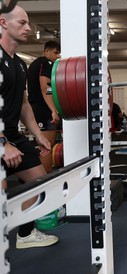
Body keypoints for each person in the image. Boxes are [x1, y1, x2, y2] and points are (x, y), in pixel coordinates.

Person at [0, 5, 59, 248]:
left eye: (28, 23)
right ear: (3, 23)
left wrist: (38, 136)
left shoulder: (19, 64)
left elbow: (24, 103)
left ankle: (24, 234)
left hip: (12, 134)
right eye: (22, 23)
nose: (28, 28)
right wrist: (3, 144)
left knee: (39, 182)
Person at [27, 40, 61, 172]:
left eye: (59, 53)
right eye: (55, 52)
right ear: (46, 51)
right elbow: (45, 87)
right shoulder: (46, 63)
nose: (58, 56)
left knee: (44, 146)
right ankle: (45, 181)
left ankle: (41, 179)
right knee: (46, 146)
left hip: (37, 108)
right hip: (43, 110)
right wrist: (53, 110)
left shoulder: (36, 64)